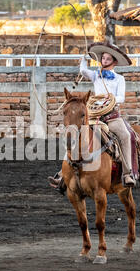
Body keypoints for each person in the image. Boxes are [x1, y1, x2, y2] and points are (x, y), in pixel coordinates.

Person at [48, 42, 135, 193]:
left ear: (114, 62)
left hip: (111, 116)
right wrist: (84, 58)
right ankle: (63, 174)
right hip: (95, 116)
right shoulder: (95, 75)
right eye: (103, 58)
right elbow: (83, 71)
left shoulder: (119, 79)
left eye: (108, 59)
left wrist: (110, 99)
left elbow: (121, 97)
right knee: (75, 134)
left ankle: (128, 173)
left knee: (125, 135)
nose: (104, 61)